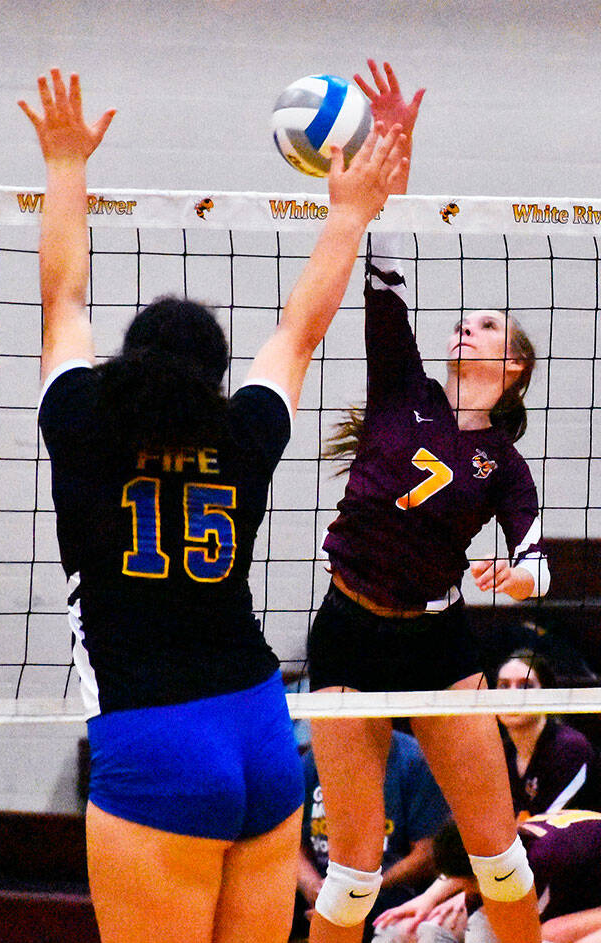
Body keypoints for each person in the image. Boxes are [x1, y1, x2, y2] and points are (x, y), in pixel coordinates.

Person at [18, 69, 411, 943]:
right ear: (217, 377)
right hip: (260, 729)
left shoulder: (81, 425)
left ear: (124, 367)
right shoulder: (243, 435)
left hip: (155, 747)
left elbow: (63, 297)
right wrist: (350, 210)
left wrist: (65, 162)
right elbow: (301, 329)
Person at [306, 60, 550, 943]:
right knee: (353, 869)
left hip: (438, 637)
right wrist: (394, 138)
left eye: (486, 325)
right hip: (347, 627)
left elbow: (535, 563)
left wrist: (516, 580)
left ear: (511, 363)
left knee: (497, 854)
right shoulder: (399, 380)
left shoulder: (507, 464)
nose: (465, 327)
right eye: (467, 320)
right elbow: (388, 246)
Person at [294, 730, 450, 942]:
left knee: (371, 907)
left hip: (389, 888)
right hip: (322, 886)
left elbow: (426, 854)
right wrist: (313, 887)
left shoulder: (413, 760)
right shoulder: (311, 762)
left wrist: (358, 891)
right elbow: (292, 847)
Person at [412, 812, 601, 943]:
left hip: (579, 872)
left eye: (468, 884)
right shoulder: (503, 851)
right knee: (478, 923)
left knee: (550, 933)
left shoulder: (543, 859)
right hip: (580, 868)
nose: (467, 891)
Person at [496, 650, 601, 820]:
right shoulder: (502, 754)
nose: (512, 695)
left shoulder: (570, 748)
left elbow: (544, 831)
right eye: (503, 686)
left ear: (547, 693)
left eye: (525, 686)